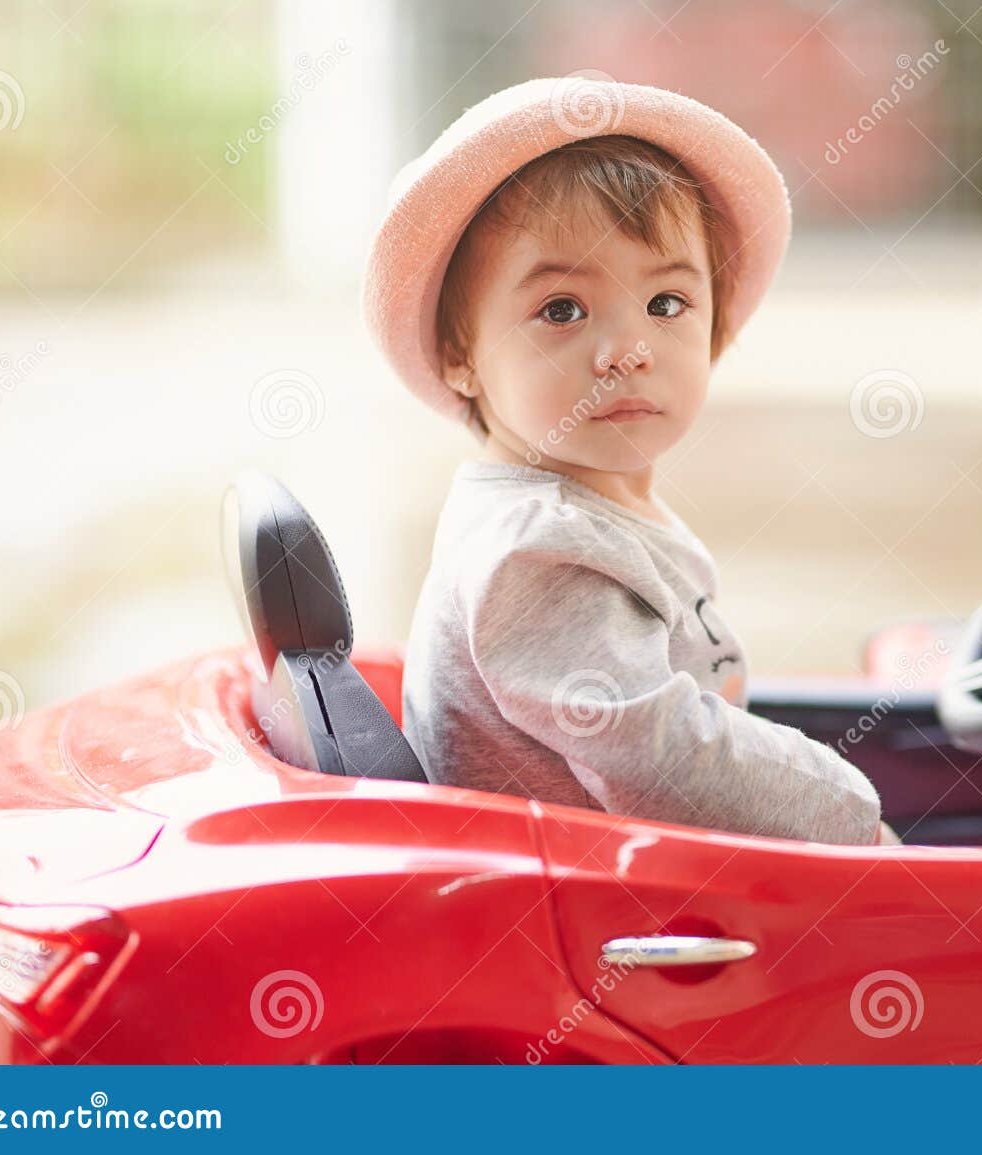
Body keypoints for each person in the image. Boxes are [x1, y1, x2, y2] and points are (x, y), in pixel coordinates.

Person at [364, 76, 899, 846]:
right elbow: (662, 759)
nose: (627, 352)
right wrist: (856, 815)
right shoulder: (535, 550)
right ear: (460, 356)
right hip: (601, 931)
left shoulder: (587, 505)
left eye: (666, 304)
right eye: (562, 310)